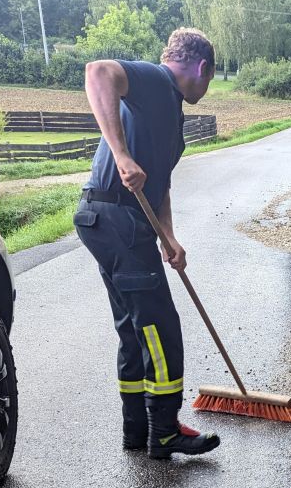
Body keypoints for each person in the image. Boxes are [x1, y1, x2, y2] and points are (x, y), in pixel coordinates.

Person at [74, 28, 221, 459]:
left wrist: (169, 237)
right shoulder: (157, 82)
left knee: (135, 328)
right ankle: (165, 430)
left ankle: (137, 429)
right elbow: (97, 72)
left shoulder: (169, 111)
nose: (208, 89)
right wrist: (120, 155)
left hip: (111, 219)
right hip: (117, 217)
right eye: (210, 80)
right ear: (202, 67)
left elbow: (160, 186)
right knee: (161, 327)